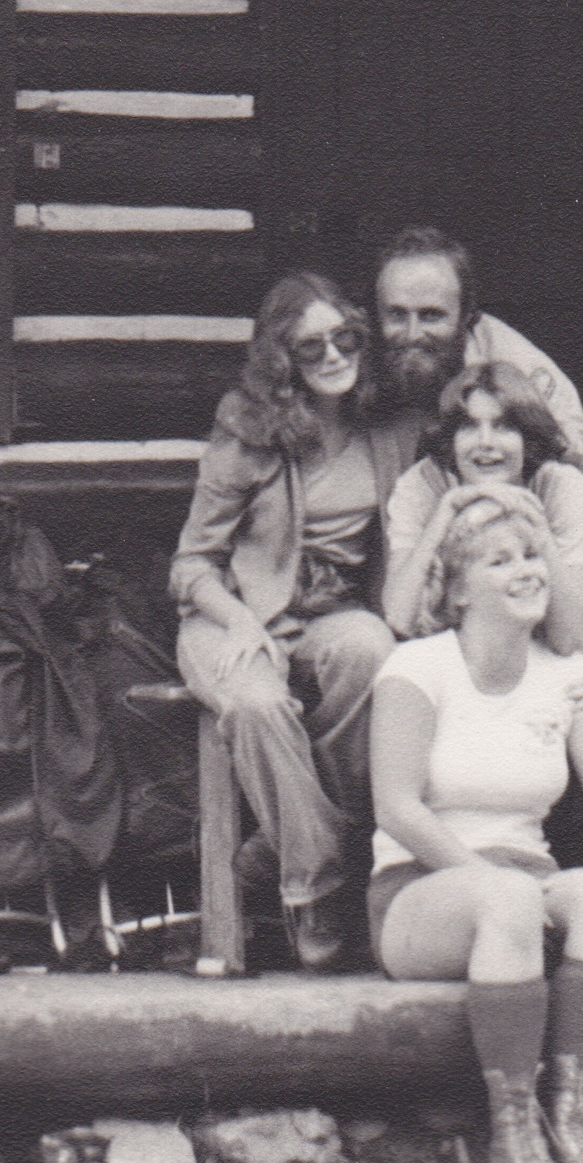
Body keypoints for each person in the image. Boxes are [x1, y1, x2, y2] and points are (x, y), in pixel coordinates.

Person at [367, 488, 583, 1163]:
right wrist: (493, 884)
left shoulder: (568, 673)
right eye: (501, 560)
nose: (527, 570)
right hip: (417, 894)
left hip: (522, 889)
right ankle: (512, 1136)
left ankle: (574, 1125)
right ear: (459, 591)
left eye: (532, 556)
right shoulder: (417, 667)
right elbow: (396, 808)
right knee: (515, 895)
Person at [172, 272, 418, 969]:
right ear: (283, 361)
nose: (336, 357)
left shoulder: (387, 425)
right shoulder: (247, 428)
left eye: (346, 340)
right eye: (313, 350)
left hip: (329, 611)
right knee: (255, 704)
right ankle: (316, 888)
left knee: (372, 651)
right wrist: (241, 623)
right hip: (228, 613)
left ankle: (272, 849)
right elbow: (191, 565)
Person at [380, 364, 583, 896]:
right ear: (448, 438)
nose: (486, 443)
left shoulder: (560, 484)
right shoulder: (421, 486)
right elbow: (401, 615)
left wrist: (537, 533)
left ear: (529, 437)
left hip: (555, 612)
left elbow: (566, 633)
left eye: (504, 427)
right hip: (453, 622)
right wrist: (447, 511)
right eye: (468, 427)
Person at [372, 227, 583, 509]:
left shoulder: (513, 363)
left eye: (431, 315)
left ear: (467, 315)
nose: (412, 334)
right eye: (396, 314)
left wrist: (549, 437)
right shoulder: (347, 348)